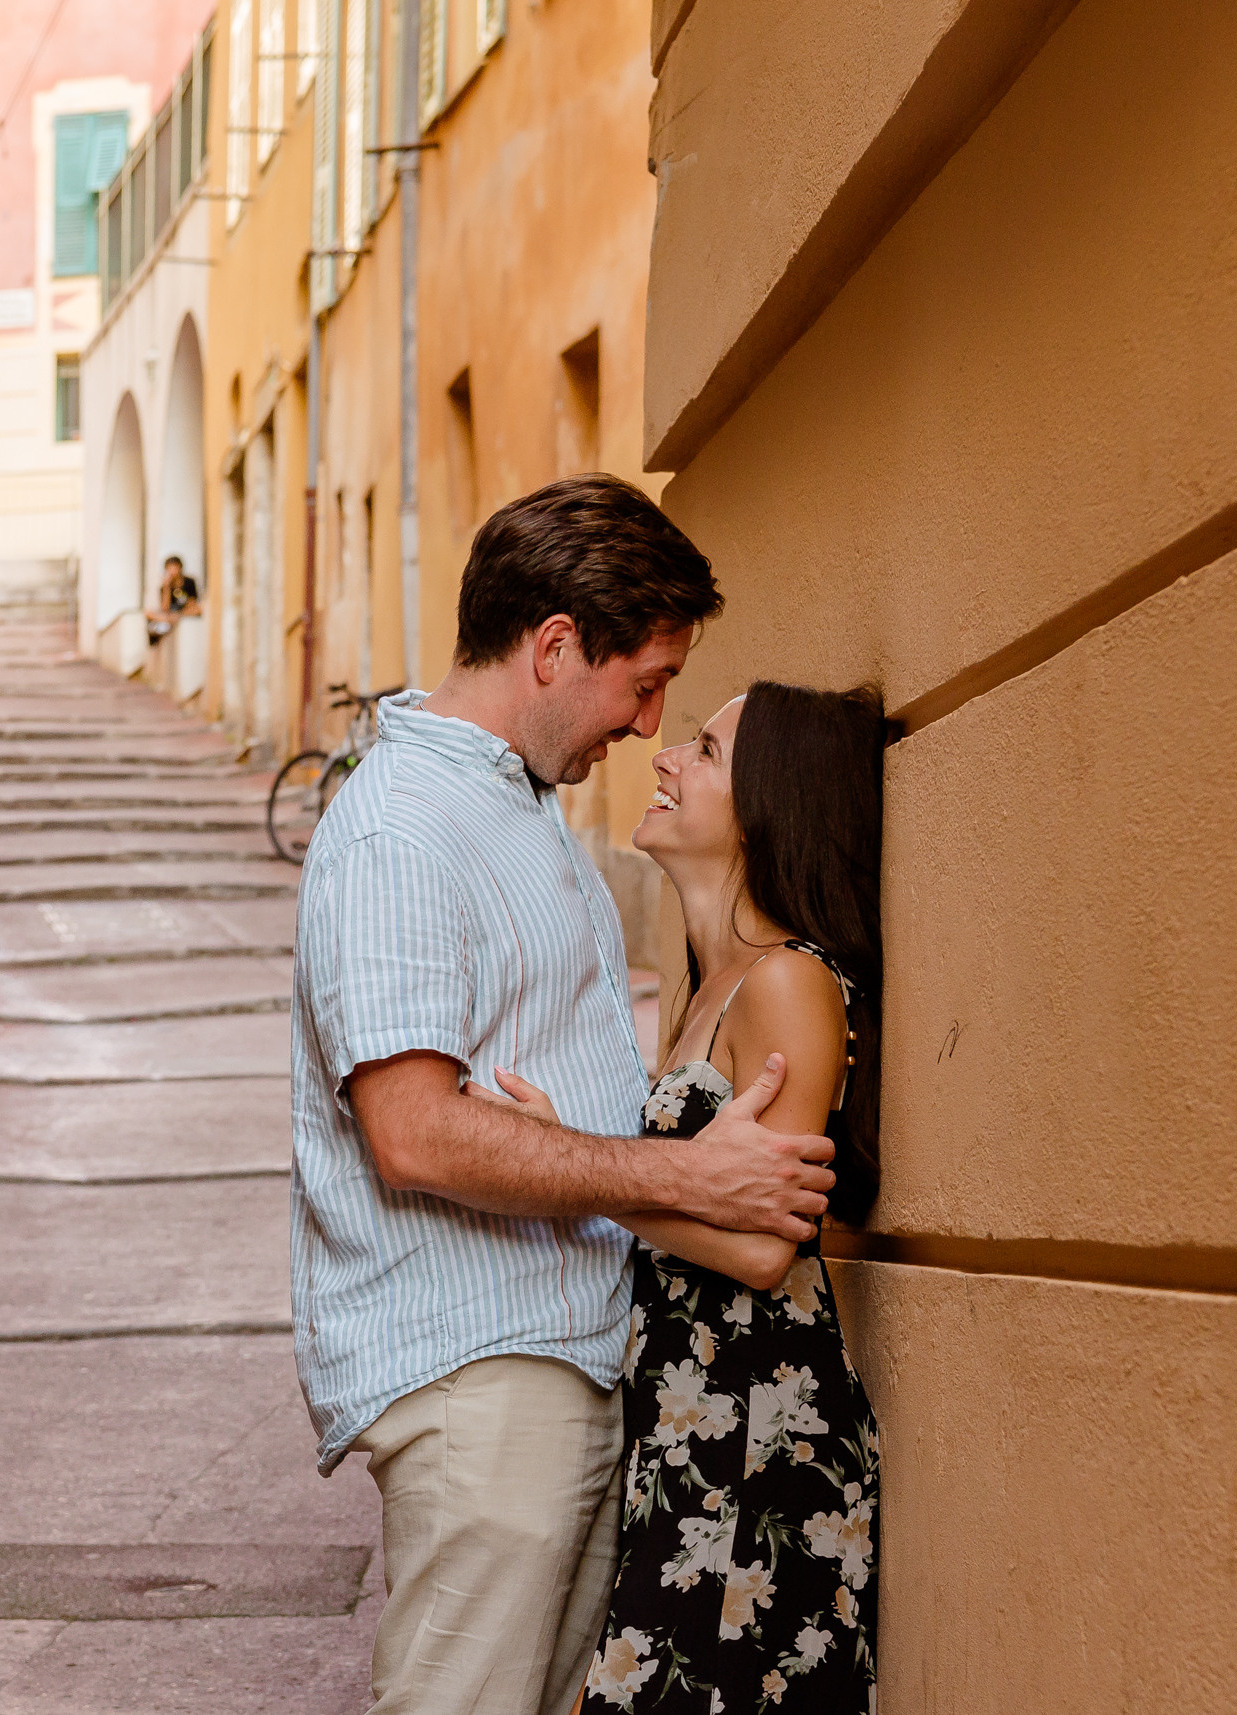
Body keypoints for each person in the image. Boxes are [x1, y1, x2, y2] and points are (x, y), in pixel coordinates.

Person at [291, 474, 839, 1715]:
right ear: (551, 647)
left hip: (568, 1362)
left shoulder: (514, 809)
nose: (648, 725)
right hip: (484, 1375)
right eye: (642, 682)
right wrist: (683, 1174)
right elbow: (412, 1131)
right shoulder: (401, 830)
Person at [516, 681, 887, 1713]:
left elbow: (768, 1249)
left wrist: (572, 1168)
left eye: (707, 751)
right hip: (691, 1425)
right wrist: (584, 1164)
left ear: (772, 803)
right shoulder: (705, 989)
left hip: (758, 1435)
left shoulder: (787, 980)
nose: (666, 758)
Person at [145, 553, 198, 644]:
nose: (172, 571)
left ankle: (172, 620)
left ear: (180, 567)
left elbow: (193, 603)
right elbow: (165, 608)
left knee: (198, 608)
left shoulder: (189, 582)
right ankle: (169, 622)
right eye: (169, 568)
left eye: (174, 567)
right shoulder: (165, 586)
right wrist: (167, 588)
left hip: (184, 612)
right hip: (169, 614)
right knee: (148, 612)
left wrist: (179, 613)